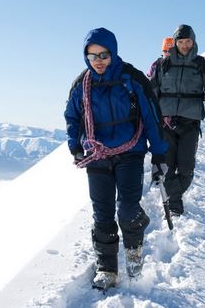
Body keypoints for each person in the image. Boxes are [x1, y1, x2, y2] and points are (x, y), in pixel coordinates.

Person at [64, 27, 168, 290]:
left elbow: (152, 116)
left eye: (103, 54)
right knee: (103, 213)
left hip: (130, 153)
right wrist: (75, 145)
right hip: (97, 154)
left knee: (128, 208)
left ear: (114, 53)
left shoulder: (131, 79)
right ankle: (107, 267)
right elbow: (73, 117)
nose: (98, 61)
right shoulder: (82, 84)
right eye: (92, 56)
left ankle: (133, 249)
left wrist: (159, 153)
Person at [149, 24, 205, 216]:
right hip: (165, 124)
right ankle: (175, 202)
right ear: (175, 42)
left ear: (194, 42)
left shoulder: (202, 65)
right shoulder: (162, 65)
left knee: (186, 168)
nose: (184, 45)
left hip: (190, 124)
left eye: (188, 41)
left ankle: (171, 193)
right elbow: (150, 92)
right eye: (181, 41)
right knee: (167, 166)